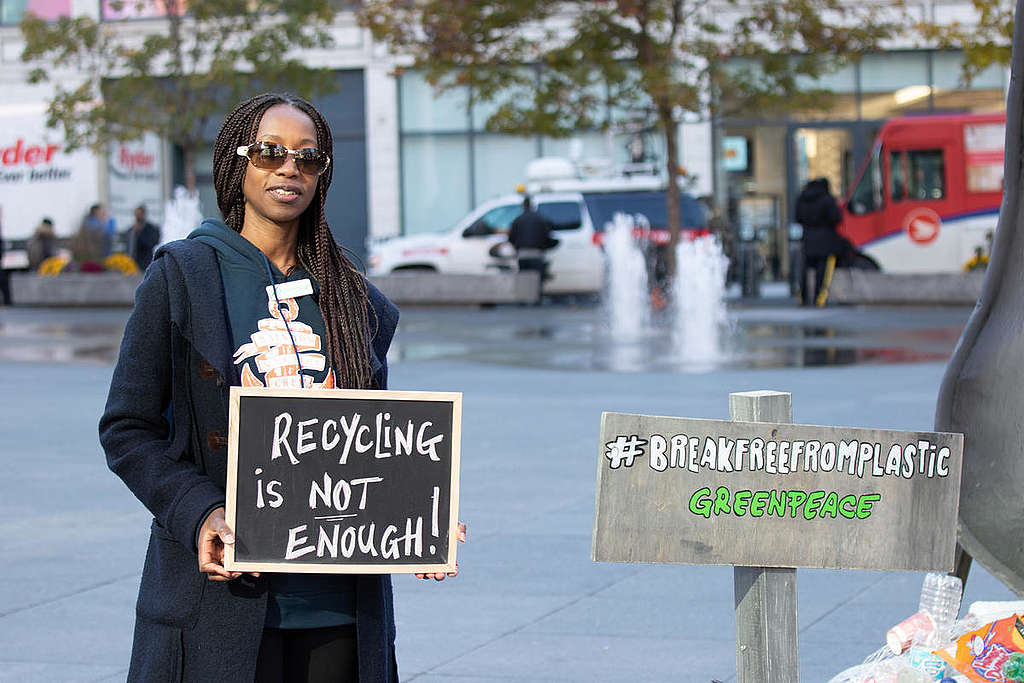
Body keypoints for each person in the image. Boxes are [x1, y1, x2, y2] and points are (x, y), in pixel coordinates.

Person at [99, 93, 463, 683]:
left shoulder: (351, 297)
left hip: (339, 608)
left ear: (322, 175)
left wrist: (418, 515)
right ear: (237, 163)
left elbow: (371, 442)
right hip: (220, 600)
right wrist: (199, 513)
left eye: (307, 157)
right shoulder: (183, 277)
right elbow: (128, 429)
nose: (290, 168)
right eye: (270, 152)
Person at [795, 177, 844, 306]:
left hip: (807, 238)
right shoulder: (827, 199)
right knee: (823, 271)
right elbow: (836, 218)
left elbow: (798, 218)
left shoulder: (802, 198)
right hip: (825, 239)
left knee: (804, 270)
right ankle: (820, 298)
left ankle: (802, 298)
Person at [508, 195, 555, 303]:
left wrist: (517, 247)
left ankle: (523, 300)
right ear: (532, 206)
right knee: (537, 279)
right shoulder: (540, 219)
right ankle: (536, 299)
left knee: (524, 278)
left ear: (523, 206)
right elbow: (547, 236)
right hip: (537, 254)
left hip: (522, 254)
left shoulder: (517, 220)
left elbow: (511, 238)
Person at [128, 204, 161, 271]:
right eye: (136, 214)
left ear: (143, 214)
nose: (137, 216)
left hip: (145, 262)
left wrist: (139, 234)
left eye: (139, 214)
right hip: (132, 261)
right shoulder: (131, 229)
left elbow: (152, 242)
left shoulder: (151, 228)